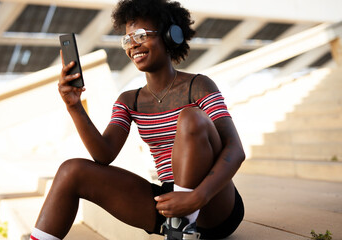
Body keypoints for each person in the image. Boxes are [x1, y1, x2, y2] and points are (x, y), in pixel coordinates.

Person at [29, 0, 245, 239]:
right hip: (169, 202)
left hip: (214, 205)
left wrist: (197, 196)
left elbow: (235, 150)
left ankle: (180, 228)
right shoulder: (129, 100)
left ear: (170, 35)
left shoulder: (199, 85)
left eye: (141, 36)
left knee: (190, 117)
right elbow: (104, 154)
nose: (133, 45)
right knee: (71, 171)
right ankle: (178, 227)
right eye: (127, 39)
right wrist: (74, 106)